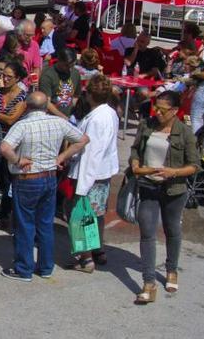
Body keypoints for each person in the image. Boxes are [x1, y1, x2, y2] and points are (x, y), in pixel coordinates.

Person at [0, 92, 89, 281]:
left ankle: (24, 268)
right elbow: (82, 139)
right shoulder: (58, 123)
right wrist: (61, 157)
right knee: (45, 224)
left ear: (27, 106)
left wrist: (17, 160)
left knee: (25, 224)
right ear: (46, 106)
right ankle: (46, 267)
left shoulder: (22, 125)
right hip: (49, 177)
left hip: (27, 179)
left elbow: (5, 147)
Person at [129, 91, 199, 304]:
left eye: (162, 109)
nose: (157, 112)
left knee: (172, 230)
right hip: (148, 186)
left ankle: (171, 270)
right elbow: (135, 150)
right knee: (147, 233)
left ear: (175, 110)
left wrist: (174, 172)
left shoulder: (185, 133)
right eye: (155, 108)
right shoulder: (147, 125)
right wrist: (135, 164)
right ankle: (149, 284)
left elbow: (194, 165)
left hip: (173, 190)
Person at [66, 75, 119, 272]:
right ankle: (98, 250)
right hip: (102, 173)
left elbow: (92, 153)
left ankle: (86, 258)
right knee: (97, 214)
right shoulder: (110, 112)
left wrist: (83, 185)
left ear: (90, 95)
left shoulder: (97, 119)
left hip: (90, 174)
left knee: (84, 215)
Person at [0, 59, 28, 227]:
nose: (4, 79)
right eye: (3, 75)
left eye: (9, 77)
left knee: (6, 180)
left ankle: (5, 212)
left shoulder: (21, 95)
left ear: (17, 78)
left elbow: (12, 119)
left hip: (11, 142)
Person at [39, 47, 81, 120]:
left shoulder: (75, 73)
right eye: (67, 65)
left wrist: (71, 113)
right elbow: (47, 103)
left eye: (72, 65)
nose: (70, 69)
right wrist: (64, 118)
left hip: (69, 117)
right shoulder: (47, 75)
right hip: (52, 117)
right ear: (59, 60)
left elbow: (76, 96)